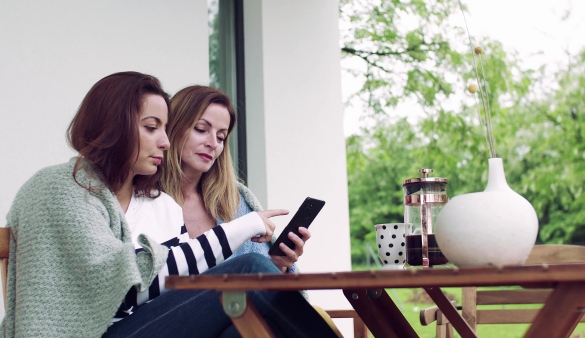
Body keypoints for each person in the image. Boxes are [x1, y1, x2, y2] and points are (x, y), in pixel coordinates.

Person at [1, 71, 338, 338]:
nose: (163, 140)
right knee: (248, 269)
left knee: (244, 326)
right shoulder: (62, 187)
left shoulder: (161, 204)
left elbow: (177, 294)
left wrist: (270, 263)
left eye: (221, 137)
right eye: (152, 127)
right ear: (114, 125)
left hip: (156, 326)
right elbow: (121, 291)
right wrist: (245, 231)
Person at [160, 85, 310, 273]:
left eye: (221, 137)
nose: (213, 143)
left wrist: (279, 264)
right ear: (172, 129)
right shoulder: (143, 198)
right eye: (201, 129)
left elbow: (259, 282)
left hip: (238, 302)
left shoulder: (235, 201)